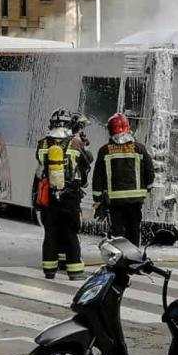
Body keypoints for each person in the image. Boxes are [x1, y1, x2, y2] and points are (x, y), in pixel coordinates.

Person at [34, 108, 90, 280]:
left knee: (50, 232)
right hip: (70, 195)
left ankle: (49, 270)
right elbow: (85, 164)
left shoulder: (43, 143)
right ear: (68, 124)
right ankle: (75, 272)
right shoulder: (75, 143)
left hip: (49, 194)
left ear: (51, 124)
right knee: (70, 231)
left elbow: (40, 167)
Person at [92, 113, 155, 247]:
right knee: (133, 229)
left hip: (115, 200)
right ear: (127, 127)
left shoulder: (105, 150)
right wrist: (148, 188)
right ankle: (134, 260)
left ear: (110, 129)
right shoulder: (139, 148)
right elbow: (149, 171)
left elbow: (98, 176)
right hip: (136, 200)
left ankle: (119, 260)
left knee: (118, 231)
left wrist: (97, 199)